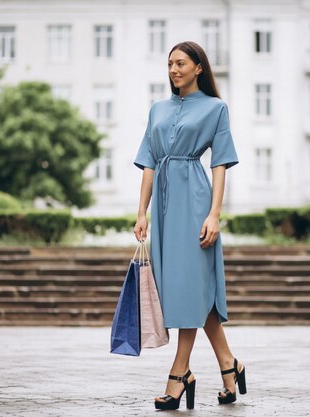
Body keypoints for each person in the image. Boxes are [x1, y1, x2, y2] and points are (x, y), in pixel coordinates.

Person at [133, 40, 247, 411]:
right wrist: (141, 212)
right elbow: (149, 161)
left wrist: (214, 214)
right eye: (170, 65)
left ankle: (179, 373)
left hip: (196, 203)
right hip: (165, 207)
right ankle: (230, 366)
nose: (174, 70)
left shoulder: (216, 108)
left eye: (181, 63)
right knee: (190, 290)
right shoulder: (158, 109)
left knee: (188, 289)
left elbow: (220, 164)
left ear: (199, 67)